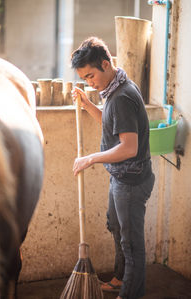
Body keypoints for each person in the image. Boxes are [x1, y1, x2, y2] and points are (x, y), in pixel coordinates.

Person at [71, 36, 155, 299]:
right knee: (116, 228)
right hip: (120, 176)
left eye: (90, 76)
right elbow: (112, 125)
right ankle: (121, 279)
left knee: (132, 246)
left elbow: (129, 148)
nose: (90, 83)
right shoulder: (116, 87)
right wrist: (87, 105)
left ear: (106, 64)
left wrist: (90, 158)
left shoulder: (121, 96)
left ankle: (130, 293)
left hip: (131, 181)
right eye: (84, 79)